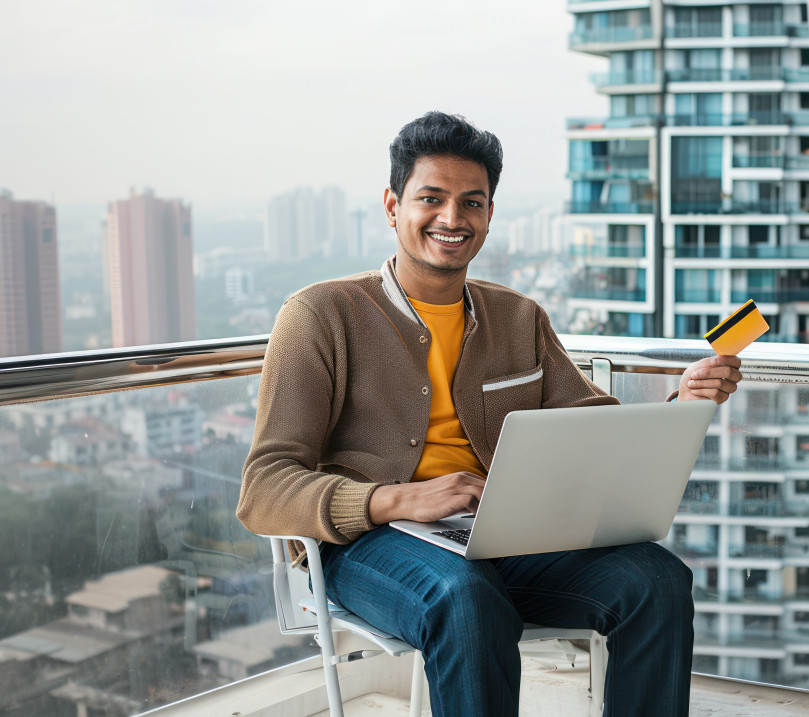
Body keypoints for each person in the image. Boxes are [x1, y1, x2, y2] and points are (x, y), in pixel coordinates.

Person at [237, 111, 743, 716]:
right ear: (393, 206)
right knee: (465, 598)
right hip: (368, 544)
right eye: (432, 198)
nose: (452, 219)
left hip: (502, 536)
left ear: (489, 215)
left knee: (655, 580)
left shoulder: (519, 318)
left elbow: (592, 430)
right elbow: (264, 489)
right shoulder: (321, 315)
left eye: (471, 202)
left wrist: (681, 405)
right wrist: (399, 499)